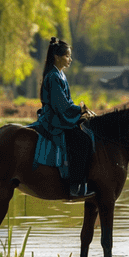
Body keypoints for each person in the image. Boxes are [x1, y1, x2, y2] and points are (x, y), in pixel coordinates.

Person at [30, 37, 95, 197]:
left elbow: (65, 103)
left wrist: (80, 111)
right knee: (82, 140)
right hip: (53, 119)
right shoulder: (53, 76)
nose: (70, 59)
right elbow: (62, 106)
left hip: (60, 116)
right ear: (57, 57)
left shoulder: (59, 75)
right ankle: (74, 185)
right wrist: (80, 110)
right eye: (67, 56)